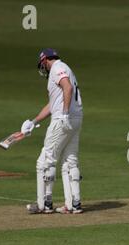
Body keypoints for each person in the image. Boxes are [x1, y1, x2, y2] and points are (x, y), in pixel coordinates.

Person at [22, 48, 84, 214]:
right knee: (70, 160)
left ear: (45, 60)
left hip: (62, 119)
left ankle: (44, 204)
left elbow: (67, 88)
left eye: (42, 63)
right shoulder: (66, 68)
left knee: (45, 160)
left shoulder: (57, 69)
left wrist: (63, 114)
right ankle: (74, 204)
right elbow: (52, 104)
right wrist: (33, 121)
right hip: (76, 118)